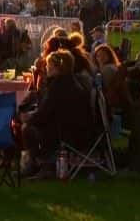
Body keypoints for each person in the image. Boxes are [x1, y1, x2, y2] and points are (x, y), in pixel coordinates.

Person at [20, 49, 94, 177]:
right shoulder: (72, 81)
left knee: (27, 129)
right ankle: (38, 164)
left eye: (49, 65)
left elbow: (45, 113)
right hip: (76, 129)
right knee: (32, 125)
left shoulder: (59, 85)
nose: (47, 68)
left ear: (58, 68)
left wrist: (28, 118)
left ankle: (42, 164)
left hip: (66, 133)